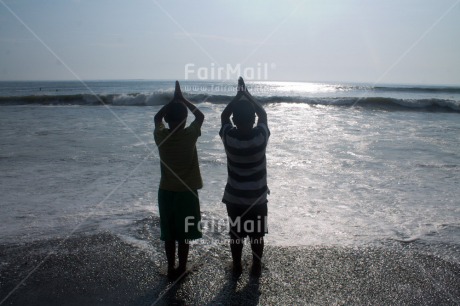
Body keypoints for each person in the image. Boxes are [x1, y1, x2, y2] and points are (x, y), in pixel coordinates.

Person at [154, 81, 204, 280]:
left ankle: (171, 267)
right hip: (187, 192)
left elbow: (157, 117)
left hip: (166, 192)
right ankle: (182, 266)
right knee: (184, 234)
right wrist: (183, 99)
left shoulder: (160, 136)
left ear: (167, 119)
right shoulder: (189, 135)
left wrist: (172, 101)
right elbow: (200, 116)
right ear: (184, 119)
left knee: (169, 234)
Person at [219, 77, 270, 277]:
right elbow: (263, 114)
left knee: (236, 235)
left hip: (234, 199)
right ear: (253, 120)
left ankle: (237, 265)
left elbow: (224, 116)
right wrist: (247, 94)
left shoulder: (229, 138)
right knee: (257, 236)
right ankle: (256, 266)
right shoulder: (260, 138)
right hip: (257, 199)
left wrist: (238, 95)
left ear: (235, 121)